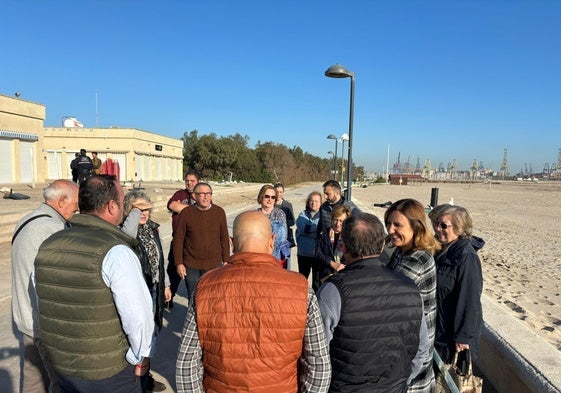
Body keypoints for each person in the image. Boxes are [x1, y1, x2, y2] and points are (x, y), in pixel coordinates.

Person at [176, 211, 331, 392]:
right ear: (272, 240)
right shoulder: (301, 289)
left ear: (232, 243)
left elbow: (186, 365)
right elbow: (319, 364)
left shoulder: (205, 287)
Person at [34, 175, 154, 392]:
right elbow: (138, 317)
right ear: (111, 206)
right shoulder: (116, 251)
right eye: (121, 202)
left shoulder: (48, 245)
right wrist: (141, 356)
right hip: (107, 373)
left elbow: (42, 299)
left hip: (60, 365)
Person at [317, 212, 430, 392]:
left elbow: (318, 354)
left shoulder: (332, 291)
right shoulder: (409, 287)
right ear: (381, 245)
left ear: (343, 246)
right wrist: (400, 381)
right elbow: (422, 349)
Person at [11, 179, 78, 393]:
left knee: (33, 381)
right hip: (47, 326)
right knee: (62, 384)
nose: (77, 207)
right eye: (75, 202)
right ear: (60, 201)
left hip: (26, 320)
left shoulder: (27, 220)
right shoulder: (54, 229)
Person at [384, 198, 441, 393]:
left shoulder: (418, 261)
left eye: (397, 225)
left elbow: (387, 299)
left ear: (416, 228)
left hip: (412, 365)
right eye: (389, 224)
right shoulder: (402, 252)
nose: (391, 230)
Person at [122, 190, 170, 393]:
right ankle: (135, 383)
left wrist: (166, 284)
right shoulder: (125, 231)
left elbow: (159, 259)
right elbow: (128, 234)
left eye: (146, 208)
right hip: (137, 293)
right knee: (137, 339)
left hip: (154, 288)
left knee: (150, 337)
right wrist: (134, 213)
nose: (143, 213)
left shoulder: (152, 229)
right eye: (138, 208)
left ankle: (144, 377)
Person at [432, 205, 484, 365]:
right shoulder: (441, 249)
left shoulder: (466, 256)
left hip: (452, 337)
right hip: (438, 329)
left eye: (443, 225)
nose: (437, 229)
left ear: (459, 228)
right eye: (436, 224)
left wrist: (463, 337)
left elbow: (470, 300)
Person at [173, 182, 230, 302]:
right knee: (194, 299)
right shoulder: (186, 213)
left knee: (213, 299)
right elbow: (179, 239)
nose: (205, 197)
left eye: (208, 194)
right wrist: (179, 263)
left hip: (214, 265)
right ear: (195, 196)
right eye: (202, 194)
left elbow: (224, 238)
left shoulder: (219, 212)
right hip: (192, 266)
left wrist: (226, 261)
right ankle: (195, 321)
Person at [166, 169, 200, 307]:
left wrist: (182, 208)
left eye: (192, 181)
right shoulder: (179, 193)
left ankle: (195, 303)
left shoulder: (201, 194)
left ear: (198, 181)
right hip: (178, 241)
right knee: (173, 271)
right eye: (187, 181)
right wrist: (194, 210)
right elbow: (172, 204)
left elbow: (204, 212)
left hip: (195, 243)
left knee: (192, 275)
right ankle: (168, 298)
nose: (189, 183)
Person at [315, 204, 352, 282]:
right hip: (325, 273)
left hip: (344, 275)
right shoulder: (324, 233)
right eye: (336, 220)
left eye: (341, 221)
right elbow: (317, 253)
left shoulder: (350, 236)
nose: (338, 224)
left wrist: (341, 266)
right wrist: (331, 263)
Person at [257, 184, 290, 268]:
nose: (270, 199)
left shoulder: (279, 214)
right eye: (267, 196)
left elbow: (281, 238)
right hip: (258, 257)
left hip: (275, 257)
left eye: (273, 197)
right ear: (261, 197)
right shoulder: (254, 215)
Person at [296, 191, 322, 291]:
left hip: (317, 254)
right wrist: (316, 230)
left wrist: (309, 231)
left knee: (317, 282)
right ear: (308, 202)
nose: (313, 203)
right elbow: (303, 229)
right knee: (302, 280)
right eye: (311, 201)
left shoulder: (323, 217)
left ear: (320, 203)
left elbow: (322, 232)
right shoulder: (302, 215)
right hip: (303, 253)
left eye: (316, 201)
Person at [275, 182, 296, 248]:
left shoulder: (288, 205)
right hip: (273, 237)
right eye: (277, 192)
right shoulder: (270, 204)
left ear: (283, 193)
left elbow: (292, 222)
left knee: (285, 257)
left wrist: (281, 221)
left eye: (280, 192)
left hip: (286, 237)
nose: (278, 194)